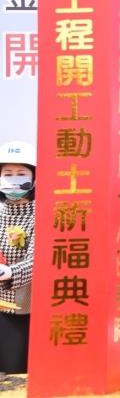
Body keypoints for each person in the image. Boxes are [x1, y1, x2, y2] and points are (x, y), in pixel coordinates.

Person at [0, 141, 36, 374]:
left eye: (21, 173)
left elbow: (39, 258)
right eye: (7, 174)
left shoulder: (42, 212)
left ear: (34, 177)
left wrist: (11, 272)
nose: (13, 179)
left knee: (15, 368)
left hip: (24, 304)